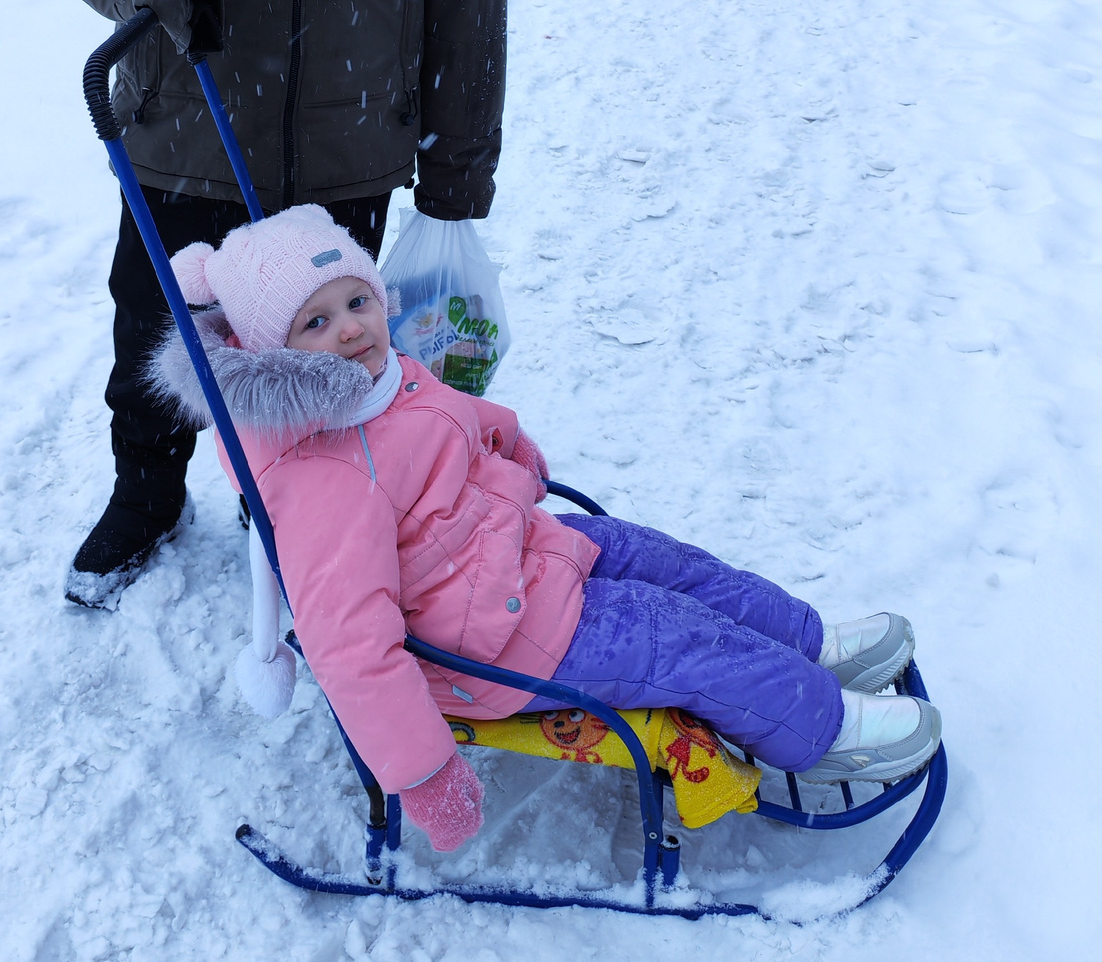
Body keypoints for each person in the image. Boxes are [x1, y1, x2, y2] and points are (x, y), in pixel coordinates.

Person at [148, 206, 943, 853]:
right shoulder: (323, 477)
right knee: (672, 636)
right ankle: (823, 728)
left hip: (516, 553)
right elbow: (350, 646)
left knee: (668, 562)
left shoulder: (373, 378)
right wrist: (427, 778)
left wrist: (509, 448)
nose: (351, 329)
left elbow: (451, 416)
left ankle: (805, 643)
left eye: (357, 301)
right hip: (486, 640)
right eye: (315, 322)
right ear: (275, 356)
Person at [68, 0, 507, 607]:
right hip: (185, 123)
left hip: (350, 131)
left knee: (326, 350)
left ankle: (295, 500)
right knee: (159, 330)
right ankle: (147, 490)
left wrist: (457, 166)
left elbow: (468, 15)